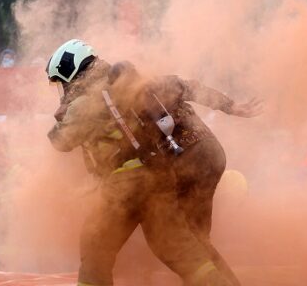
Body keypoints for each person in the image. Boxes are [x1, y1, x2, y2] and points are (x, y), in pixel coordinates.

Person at [46, 39, 259, 286]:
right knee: (185, 247)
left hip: (126, 185)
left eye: (61, 82)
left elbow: (60, 141)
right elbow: (185, 86)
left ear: (70, 74)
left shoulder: (85, 102)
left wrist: (63, 113)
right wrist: (231, 106)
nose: (62, 89)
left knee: (96, 246)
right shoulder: (130, 81)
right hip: (164, 176)